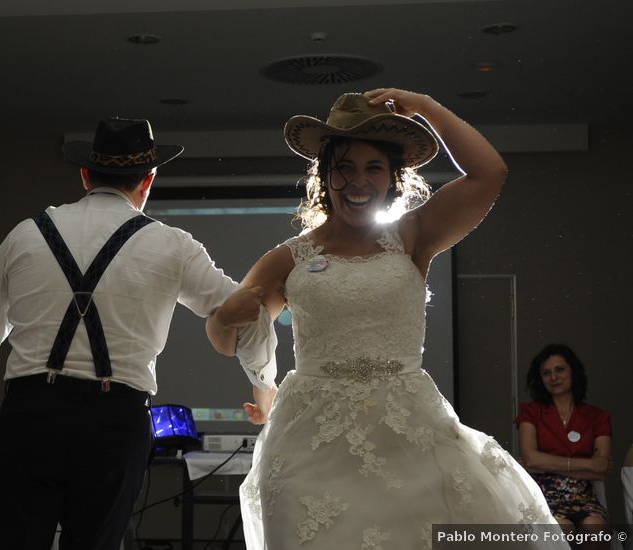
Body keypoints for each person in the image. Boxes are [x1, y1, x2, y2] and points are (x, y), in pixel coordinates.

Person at [208, 89, 565, 548]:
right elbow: (227, 338)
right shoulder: (288, 259)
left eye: (373, 167)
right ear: (325, 174)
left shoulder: (413, 235)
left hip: (408, 430)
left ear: (393, 177)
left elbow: (489, 172)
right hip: (311, 438)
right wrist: (223, 318)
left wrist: (425, 107)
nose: (359, 182)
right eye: (345, 168)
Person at [0, 117, 276, 550]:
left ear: (85, 175)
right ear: (149, 180)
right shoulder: (174, 245)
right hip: (115, 425)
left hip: (30, 417)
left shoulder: (26, 235)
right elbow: (247, 312)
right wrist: (263, 387)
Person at [516, 344, 612, 547]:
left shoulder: (598, 417)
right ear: (540, 379)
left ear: (573, 372)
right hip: (546, 497)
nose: (554, 377)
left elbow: (602, 469)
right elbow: (531, 458)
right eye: (546, 373)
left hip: (585, 498)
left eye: (560, 370)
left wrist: (545, 464)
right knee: (562, 530)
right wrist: (587, 465)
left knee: (595, 529)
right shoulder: (531, 413)